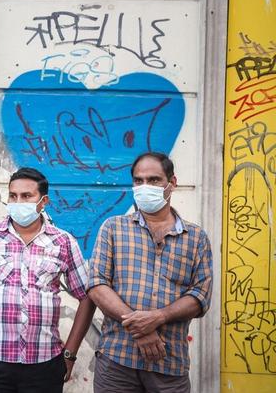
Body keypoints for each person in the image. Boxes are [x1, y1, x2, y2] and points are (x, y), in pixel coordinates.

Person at [0, 167, 97, 393]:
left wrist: (69, 354)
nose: (18, 202)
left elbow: (87, 297)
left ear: (43, 201)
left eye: (27, 196)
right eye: (13, 195)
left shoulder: (64, 242)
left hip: (45, 363)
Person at [87, 152, 213, 392]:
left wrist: (159, 317)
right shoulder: (113, 228)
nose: (145, 187)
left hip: (169, 365)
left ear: (172, 183)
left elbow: (200, 296)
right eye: (138, 181)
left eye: (154, 180)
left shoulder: (196, 238)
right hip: (116, 362)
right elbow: (97, 285)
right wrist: (141, 329)